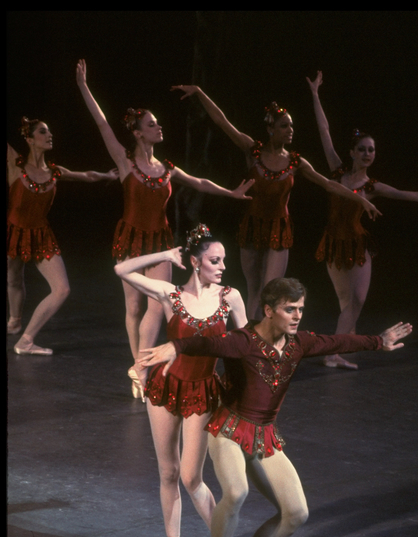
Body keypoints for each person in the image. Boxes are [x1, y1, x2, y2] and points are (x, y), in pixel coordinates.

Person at [139, 277, 412, 537]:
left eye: (300, 309)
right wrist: (177, 346)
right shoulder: (244, 341)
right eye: (289, 309)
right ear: (268, 311)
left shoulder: (300, 344)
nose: (297, 316)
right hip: (228, 429)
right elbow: (210, 345)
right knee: (237, 492)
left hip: (263, 434)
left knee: (296, 513)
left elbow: (337, 342)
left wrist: (378, 341)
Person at [76, 60, 254, 398]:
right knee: (133, 308)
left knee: (158, 304)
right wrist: (84, 86)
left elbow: (198, 181)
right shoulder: (125, 162)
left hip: (159, 242)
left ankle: (142, 369)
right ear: (138, 132)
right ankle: (137, 366)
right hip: (130, 239)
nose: (159, 128)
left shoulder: (166, 167)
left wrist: (230, 193)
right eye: (151, 124)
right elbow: (101, 124)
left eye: (158, 123)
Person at [306, 70, 418, 369]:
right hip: (334, 245)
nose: (368, 153)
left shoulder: (373, 187)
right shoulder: (336, 172)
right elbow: (324, 131)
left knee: (355, 303)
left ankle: (333, 352)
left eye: (372, 150)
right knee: (346, 304)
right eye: (362, 149)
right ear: (351, 153)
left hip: (358, 246)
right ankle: (341, 348)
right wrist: (315, 94)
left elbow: (415, 195)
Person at [172, 84, 382, 320]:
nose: (291, 130)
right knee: (253, 288)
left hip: (279, 229)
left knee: (269, 290)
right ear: (271, 129)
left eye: (291, 125)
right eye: (285, 126)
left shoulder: (296, 162)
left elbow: (328, 184)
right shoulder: (253, 151)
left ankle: (262, 342)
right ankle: (249, 339)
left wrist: (360, 200)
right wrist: (200, 92)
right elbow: (223, 123)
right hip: (252, 226)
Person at [114, 224, 248, 537]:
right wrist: (164, 255)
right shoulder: (169, 294)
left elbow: (245, 344)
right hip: (164, 388)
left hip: (202, 391)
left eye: (223, 261)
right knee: (168, 472)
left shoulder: (229, 296)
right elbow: (121, 269)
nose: (221, 267)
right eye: (214, 260)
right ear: (194, 262)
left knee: (192, 477)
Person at [7, 118, 118, 355]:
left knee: (62, 289)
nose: (49, 136)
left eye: (50, 132)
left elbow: (86, 175)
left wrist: (107, 175)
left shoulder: (55, 172)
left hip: (41, 234)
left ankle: (25, 341)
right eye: (43, 132)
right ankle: (14, 319)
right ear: (29, 139)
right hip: (13, 232)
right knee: (14, 278)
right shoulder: (15, 164)